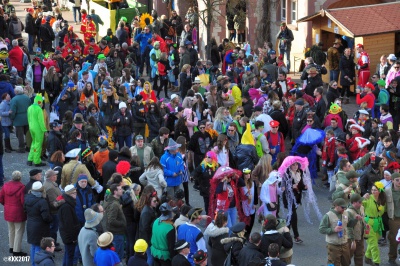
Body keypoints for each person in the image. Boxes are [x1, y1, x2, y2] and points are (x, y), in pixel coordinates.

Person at [24, 181, 53, 266]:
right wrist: (51, 219)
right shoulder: (42, 201)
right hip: (40, 227)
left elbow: (25, 210)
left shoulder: (27, 198)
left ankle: (33, 263)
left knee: (33, 246)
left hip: (30, 225)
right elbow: (46, 217)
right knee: (39, 248)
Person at [0, 171, 27, 256]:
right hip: (19, 212)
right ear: (20, 178)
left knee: (11, 230)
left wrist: (6, 204)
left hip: (8, 210)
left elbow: (1, 198)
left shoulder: (5, 186)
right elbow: (23, 201)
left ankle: (11, 247)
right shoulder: (22, 187)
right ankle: (16, 250)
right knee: (19, 231)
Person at [319, 198, 351, 266]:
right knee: (334, 264)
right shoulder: (328, 215)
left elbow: (349, 224)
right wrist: (333, 230)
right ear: (336, 206)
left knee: (346, 263)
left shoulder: (345, 213)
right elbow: (321, 229)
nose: (344, 209)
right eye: (342, 207)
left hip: (344, 243)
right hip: (333, 245)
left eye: (345, 207)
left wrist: (356, 220)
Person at [363, 182, 386, 265]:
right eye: (372, 190)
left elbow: (382, 211)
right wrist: (363, 198)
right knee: (374, 245)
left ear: (380, 191)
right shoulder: (368, 198)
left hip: (378, 223)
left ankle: (367, 257)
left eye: (375, 190)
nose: (373, 192)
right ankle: (376, 262)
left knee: (373, 242)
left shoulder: (382, 200)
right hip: (368, 223)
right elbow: (361, 204)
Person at [58, 184, 81, 266]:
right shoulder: (66, 207)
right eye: (73, 193)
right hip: (69, 236)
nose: (75, 194)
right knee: (70, 256)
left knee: (67, 254)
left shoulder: (67, 203)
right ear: (69, 194)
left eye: (75, 193)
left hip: (66, 234)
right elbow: (68, 224)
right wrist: (73, 238)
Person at [103, 184, 127, 261]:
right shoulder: (114, 204)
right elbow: (111, 220)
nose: (122, 190)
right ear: (115, 192)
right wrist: (123, 223)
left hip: (115, 233)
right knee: (117, 257)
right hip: (116, 234)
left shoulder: (113, 201)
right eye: (120, 189)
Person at [43, 169, 63, 251]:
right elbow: (53, 203)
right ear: (51, 177)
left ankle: (53, 242)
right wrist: (63, 200)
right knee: (53, 229)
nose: (56, 176)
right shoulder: (50, 187)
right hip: (54, 212)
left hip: (54, 211)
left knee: (53, 229)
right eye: (55, 175)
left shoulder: (50, 184)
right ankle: (52, 244)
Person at [27, 94, 47, 167]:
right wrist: (44, 130)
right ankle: (37, 161)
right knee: (38, 144)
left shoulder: (30, 107)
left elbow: (28, 118)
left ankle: (30, 159)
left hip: (31, 127)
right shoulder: (38, 109)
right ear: (39, 102)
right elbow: (41, 121)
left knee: (34, 143)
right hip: (38, 129)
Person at [345, 193, 365, 266]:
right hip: (351, 239)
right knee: (347, 257)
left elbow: (363, 219)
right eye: (359, 202)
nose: (361, 203)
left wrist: (366, 225)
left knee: (359, 256)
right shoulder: (348, 212)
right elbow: (348, 227)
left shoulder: (361, 208)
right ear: (353, 202)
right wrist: (353, 240)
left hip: (360, 237)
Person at [10, 86, 30, 153]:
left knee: (20, 135)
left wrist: (11, 118)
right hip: (27, 117)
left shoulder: (14, 99)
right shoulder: (27, 98)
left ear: (16, 92)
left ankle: (21, 148)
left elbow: (13, 110)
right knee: (27, 133)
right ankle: (28, 146)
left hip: (18, 119)